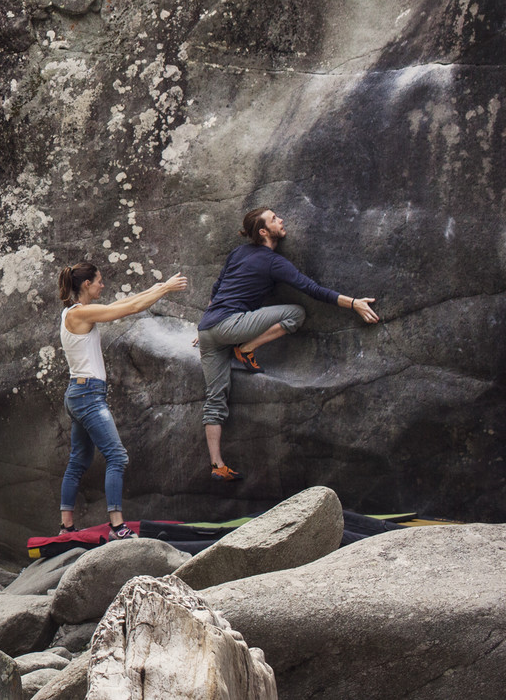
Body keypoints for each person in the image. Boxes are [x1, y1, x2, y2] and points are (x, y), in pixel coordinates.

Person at [199, 208, 379, 481]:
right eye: (274, 219)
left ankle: (217, 465)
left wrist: (208, 325)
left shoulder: (238, 253)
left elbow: (216, 289)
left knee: (215, 398)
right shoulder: (273, 261)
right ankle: (246, 349)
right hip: (230, 326)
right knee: (295, 313)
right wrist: (353, 303)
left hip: (207, 329)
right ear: (263, 232)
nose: (281, 220)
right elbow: (312, 289)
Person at [57, 261, 189, 536]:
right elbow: (129, 309)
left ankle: (66, 527)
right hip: (88, 396)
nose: (102, 285)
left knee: (78, 461)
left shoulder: (72, 312)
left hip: (79, 394)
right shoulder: (81, 313)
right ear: (86, 285)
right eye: (99, 281)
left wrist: (154, 288)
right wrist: (164, 289)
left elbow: (122, 304)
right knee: (117, 456)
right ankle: (117, 526)